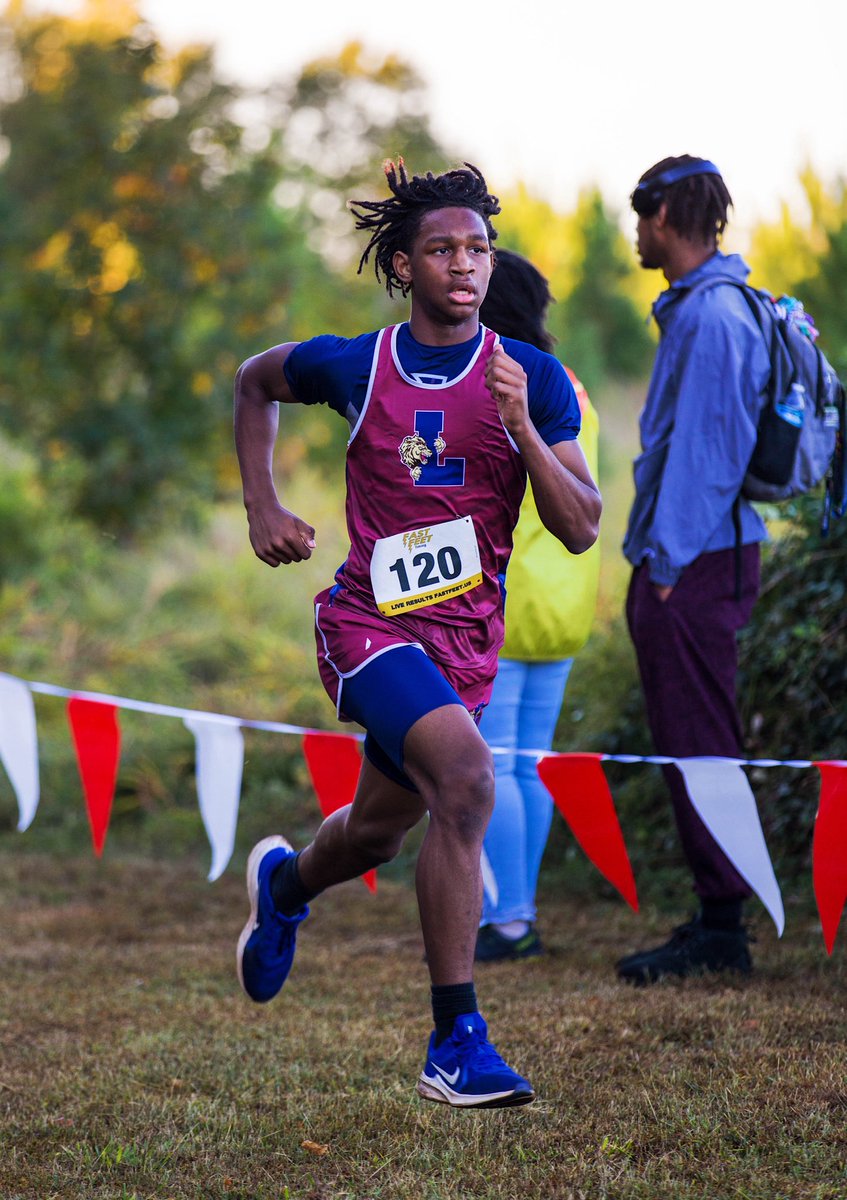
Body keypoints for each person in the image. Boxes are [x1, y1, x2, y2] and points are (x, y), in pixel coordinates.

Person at [232, 161, 602, 1107]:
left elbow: (580, 526)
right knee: (468, 780)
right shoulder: (357, 365)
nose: (464, 264)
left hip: (464, 646)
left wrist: (521, 428)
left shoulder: (534, 380)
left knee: (373, 834)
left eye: (478, 249)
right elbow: (253, 382)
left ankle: (285, 887)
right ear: (403, 265)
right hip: (365, 624)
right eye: (442, 249)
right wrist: (262, 504)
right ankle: (455, 1041)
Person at [617, 155, 770, 985]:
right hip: (695, 554)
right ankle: (718, 916)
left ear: (665, 216)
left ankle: (722, 928)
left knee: (699, 738)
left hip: (697, 559)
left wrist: (667, 566)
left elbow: (710, 455)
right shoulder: (699, 307)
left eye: (639, 216)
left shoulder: (711, 316)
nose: (635, 233)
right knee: (690, 736)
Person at [474, 249, 601, 963]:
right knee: (530, 765)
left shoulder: (502, 384)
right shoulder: (570, 383)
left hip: (506, 600)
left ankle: (509, 919)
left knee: (494, 766)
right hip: (566, 600)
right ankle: (516, 909)